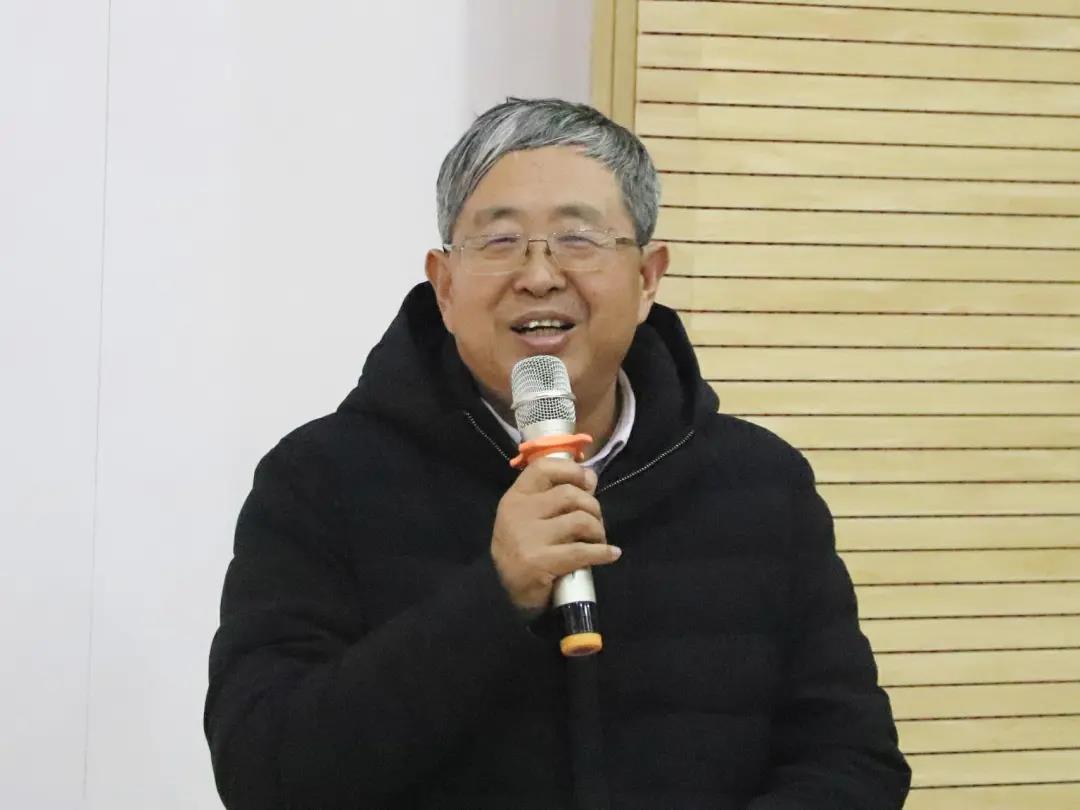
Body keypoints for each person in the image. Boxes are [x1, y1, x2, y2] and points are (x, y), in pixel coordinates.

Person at [204, 98, 910, 810]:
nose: (539, 276)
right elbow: (264, 773)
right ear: (444, 286)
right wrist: (495, 595)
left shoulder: (761, 485)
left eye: (578, 239)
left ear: (647, 278)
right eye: (500, 241)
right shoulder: (320, 480)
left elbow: (852, 759)